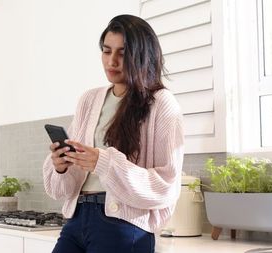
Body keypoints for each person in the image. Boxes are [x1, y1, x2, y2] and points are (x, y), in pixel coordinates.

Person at [43, 14, 184, 253]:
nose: (112, 61)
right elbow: (63, 186)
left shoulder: (161, 103)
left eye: (122, 53)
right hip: (76, 220)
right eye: (107, 51)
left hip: (123, 226)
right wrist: (61, 166)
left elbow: (166, 186)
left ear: (141, 56)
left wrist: (105, 162)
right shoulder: (89, 99)